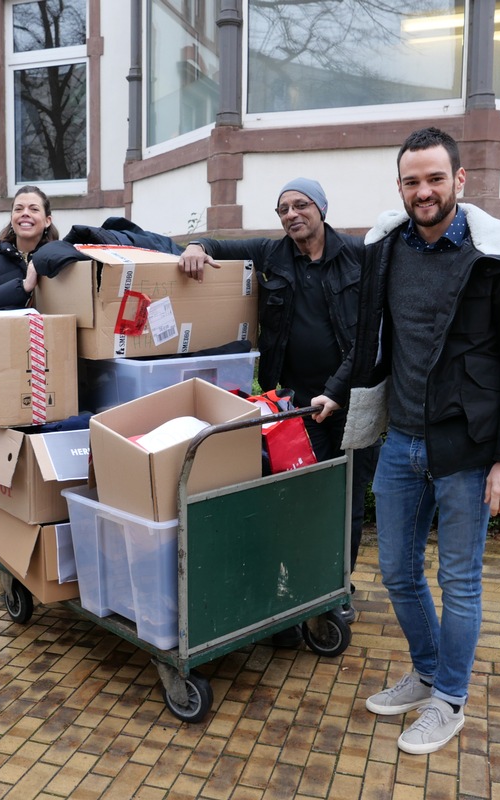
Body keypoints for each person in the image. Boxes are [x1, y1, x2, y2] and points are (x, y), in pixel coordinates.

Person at [316, 127, 500, 754]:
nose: (424, 191)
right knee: (395, 571)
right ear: (400, 187)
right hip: (402, 440)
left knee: (460, 582)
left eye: (435, 179)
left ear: (459, 181)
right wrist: (338, 388)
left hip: (468, 450)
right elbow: (371, 341)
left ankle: (450, 699)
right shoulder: (387, 247)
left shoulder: (498, 252)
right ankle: (426, 672)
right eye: (412, 181)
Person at [178, 178, 382, 625]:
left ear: (321, 209)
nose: (291, 214)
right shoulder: (273, 255)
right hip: (292, 408)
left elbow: (371, 340)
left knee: (344, 501)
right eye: (283, 209)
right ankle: (291, 588)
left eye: (300, 205)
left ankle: (335, 588)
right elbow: (217, 243)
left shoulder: (360, 257)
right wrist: (195, 245)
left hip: (347, 403)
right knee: (293, 499)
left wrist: (336, 390)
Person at [0, 185, 59, 312]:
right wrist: (23, 286)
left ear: (47, 220)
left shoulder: (61, 260)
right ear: (12, 218)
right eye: (18, 209)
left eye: (34, 209)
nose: (25, 213)